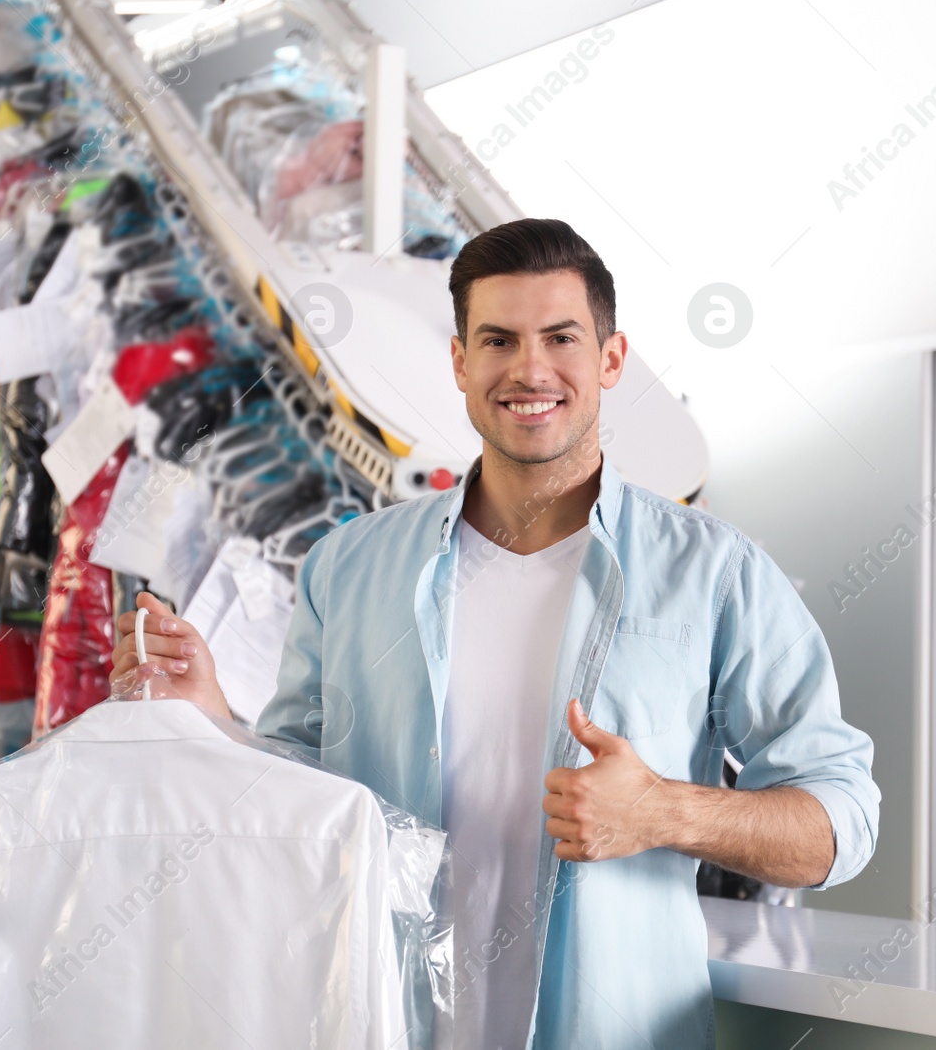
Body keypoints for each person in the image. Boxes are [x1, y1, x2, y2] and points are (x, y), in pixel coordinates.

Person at [112, 218, 880, 1049]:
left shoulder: (716, 572)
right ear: (460, 363)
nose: (530, 369)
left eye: (561, 338)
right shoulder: (348, 566)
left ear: (612, 359)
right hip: (388, 1027)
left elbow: (840, 824)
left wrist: (664, 811)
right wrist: (213, 718)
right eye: (498, 340)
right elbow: (306, 809)